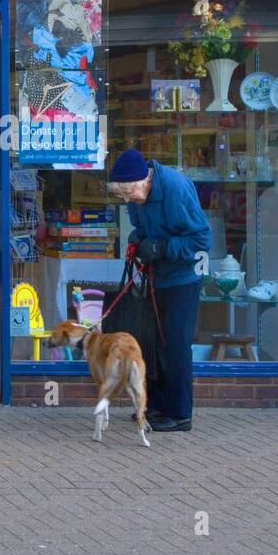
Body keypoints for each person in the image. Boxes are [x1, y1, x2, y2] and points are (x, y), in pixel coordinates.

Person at [107, 148, 212, 432]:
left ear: (145, 181)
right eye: (123, 197)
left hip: (183, 277)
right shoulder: (134, 192)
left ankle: (179, 414)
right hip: (156, 275)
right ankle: (154, 407)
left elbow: (202, 238)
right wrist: (137, 241)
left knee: (176, 345)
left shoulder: (176, 188)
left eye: (130, 195)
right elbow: (141, 228)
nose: (128, 202)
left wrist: (163, 247)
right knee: (153, 344)